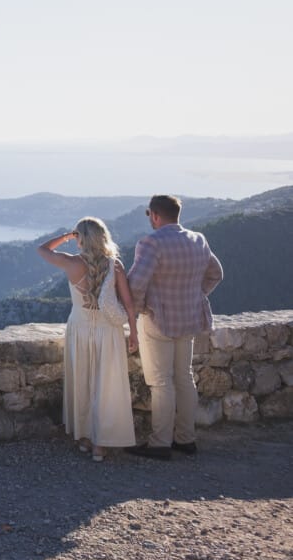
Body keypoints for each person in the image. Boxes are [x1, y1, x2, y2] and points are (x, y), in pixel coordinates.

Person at [126, 194, 224, 460]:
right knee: (185, 378)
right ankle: (186, 439)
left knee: (160, 383)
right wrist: (196, 295)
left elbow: (135, 284)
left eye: (149, 216)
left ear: (155, 215)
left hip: (158, 321)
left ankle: (160, 443)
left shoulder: (151, 243)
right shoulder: (198, 240)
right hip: (189, 318)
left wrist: (137, 310)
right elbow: (216, 273)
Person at [37, 217, 138, 461]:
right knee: (105, 386)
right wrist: (134, 332)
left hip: (80, 329)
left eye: (78, 237)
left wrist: (65, 236)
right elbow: (128, 303)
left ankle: (84, 438)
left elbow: (42, 250)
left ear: (81, 238)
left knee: (82, 383)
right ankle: (100, 446)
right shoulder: (115, 266)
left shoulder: (71, 263)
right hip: (108, 331)